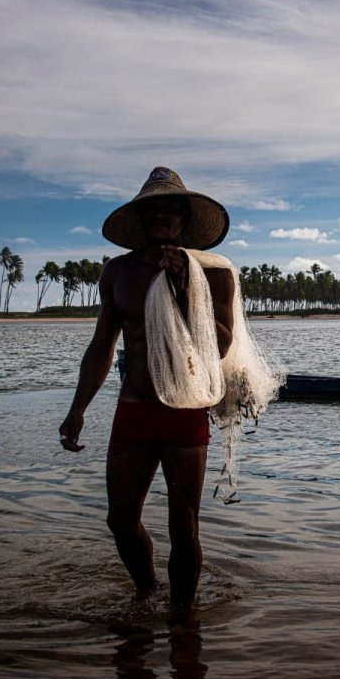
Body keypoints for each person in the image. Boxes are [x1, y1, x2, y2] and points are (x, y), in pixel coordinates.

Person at [59, 167, 235, 624]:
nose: (161, 216)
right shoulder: (118, 272)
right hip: (134, 408)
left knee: (184, 525)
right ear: (141, 218)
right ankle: (147, 591)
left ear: (183, 217)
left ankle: (184, 619)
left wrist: (183, 289)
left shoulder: (212, 275)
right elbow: (103, 346)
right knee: (120, 520)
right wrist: (77, 409)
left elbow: (220, 345)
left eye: (169, 209)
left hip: (185, 409)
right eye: (152, 209)